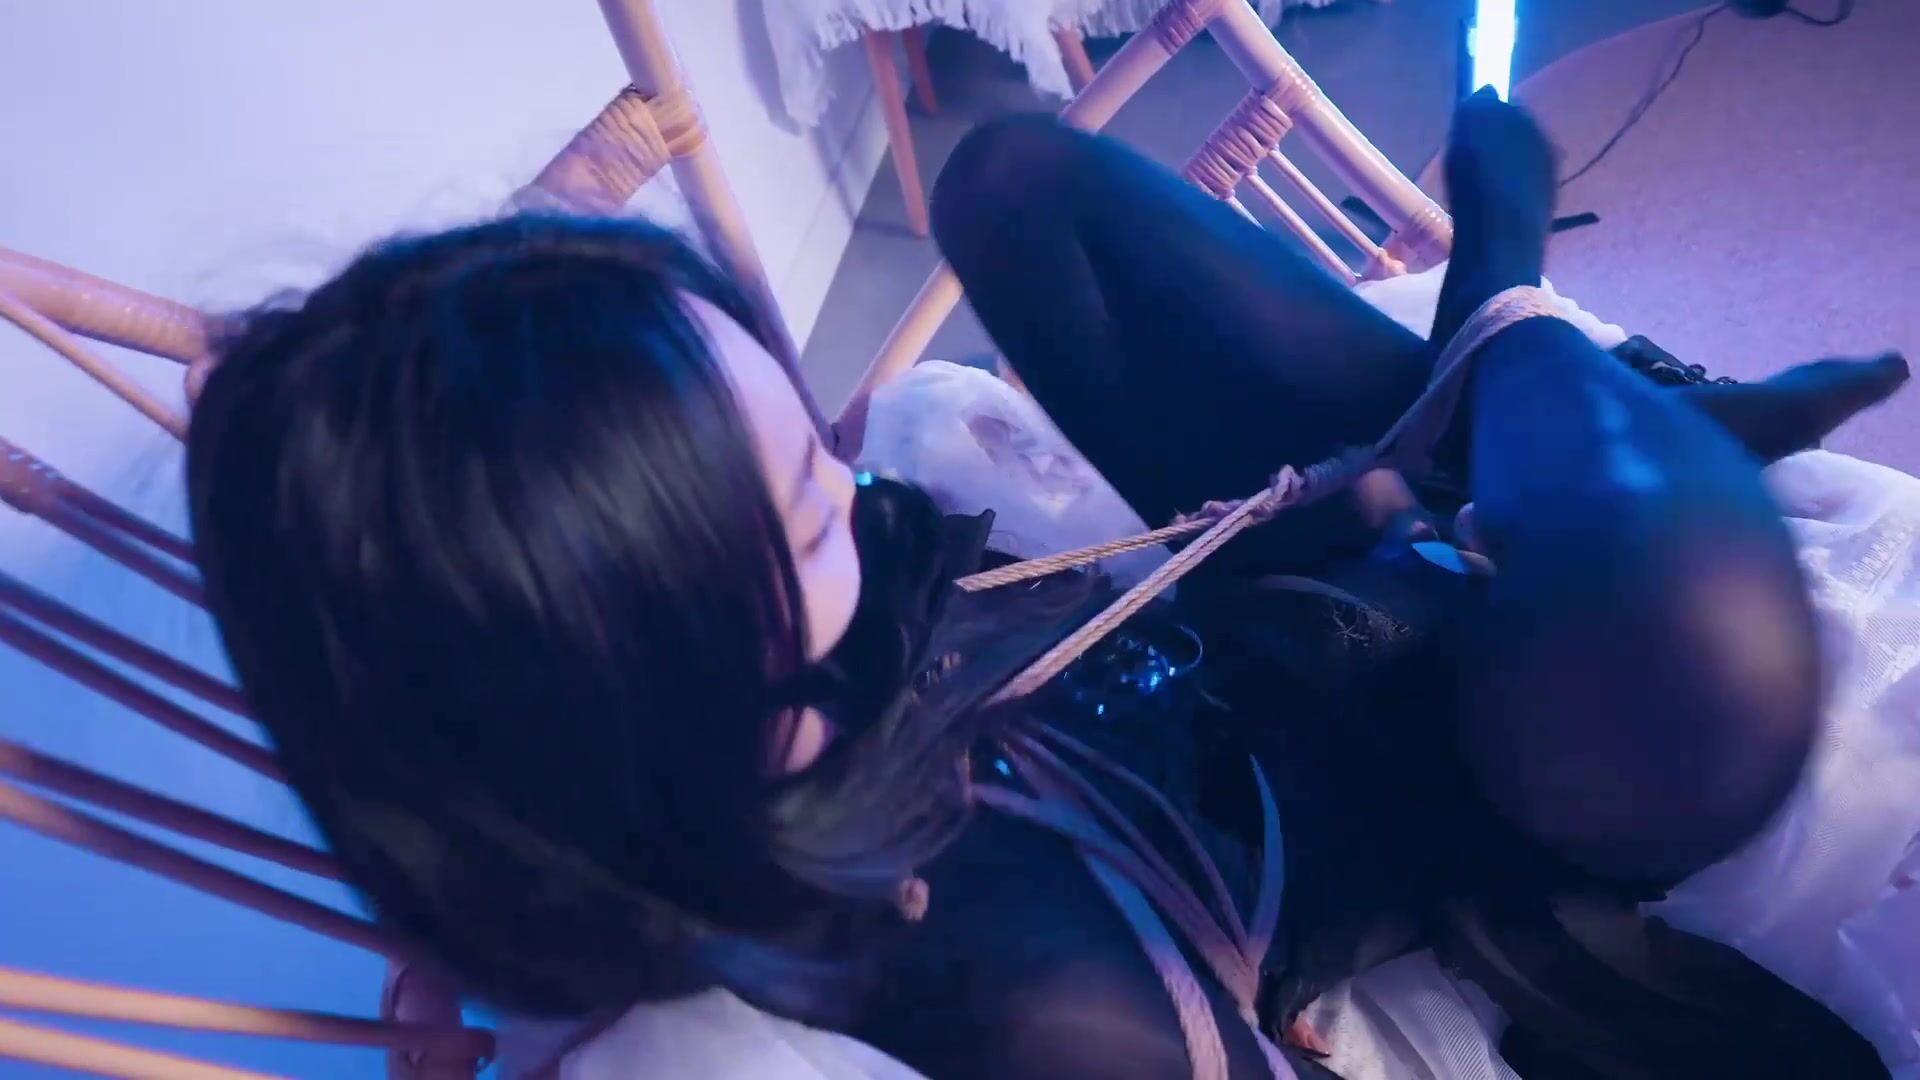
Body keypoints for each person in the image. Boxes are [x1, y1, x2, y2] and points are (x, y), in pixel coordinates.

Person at [184, 95, 1902, 1078]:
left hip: (1256, 602)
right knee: (1703, 678)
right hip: (1481, 770)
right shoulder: (995, 1009)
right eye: (812, 520)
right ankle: (1519, 327)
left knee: (1008, 177)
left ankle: (1517, 385)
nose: (862, 493)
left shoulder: (635, 741)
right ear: (632, 708)